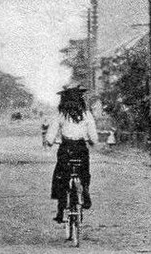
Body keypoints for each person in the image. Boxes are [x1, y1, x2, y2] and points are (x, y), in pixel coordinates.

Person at [45, 84, 98, 224]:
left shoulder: (61, 114)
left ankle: (60, 210)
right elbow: (93, 137)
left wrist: (49, 142)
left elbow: (51, 134)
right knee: (84, 171)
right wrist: (92, 141)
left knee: (61, 176)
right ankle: (85, 190)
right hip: (81, 148)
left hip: (66, 148)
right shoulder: (86, 114)